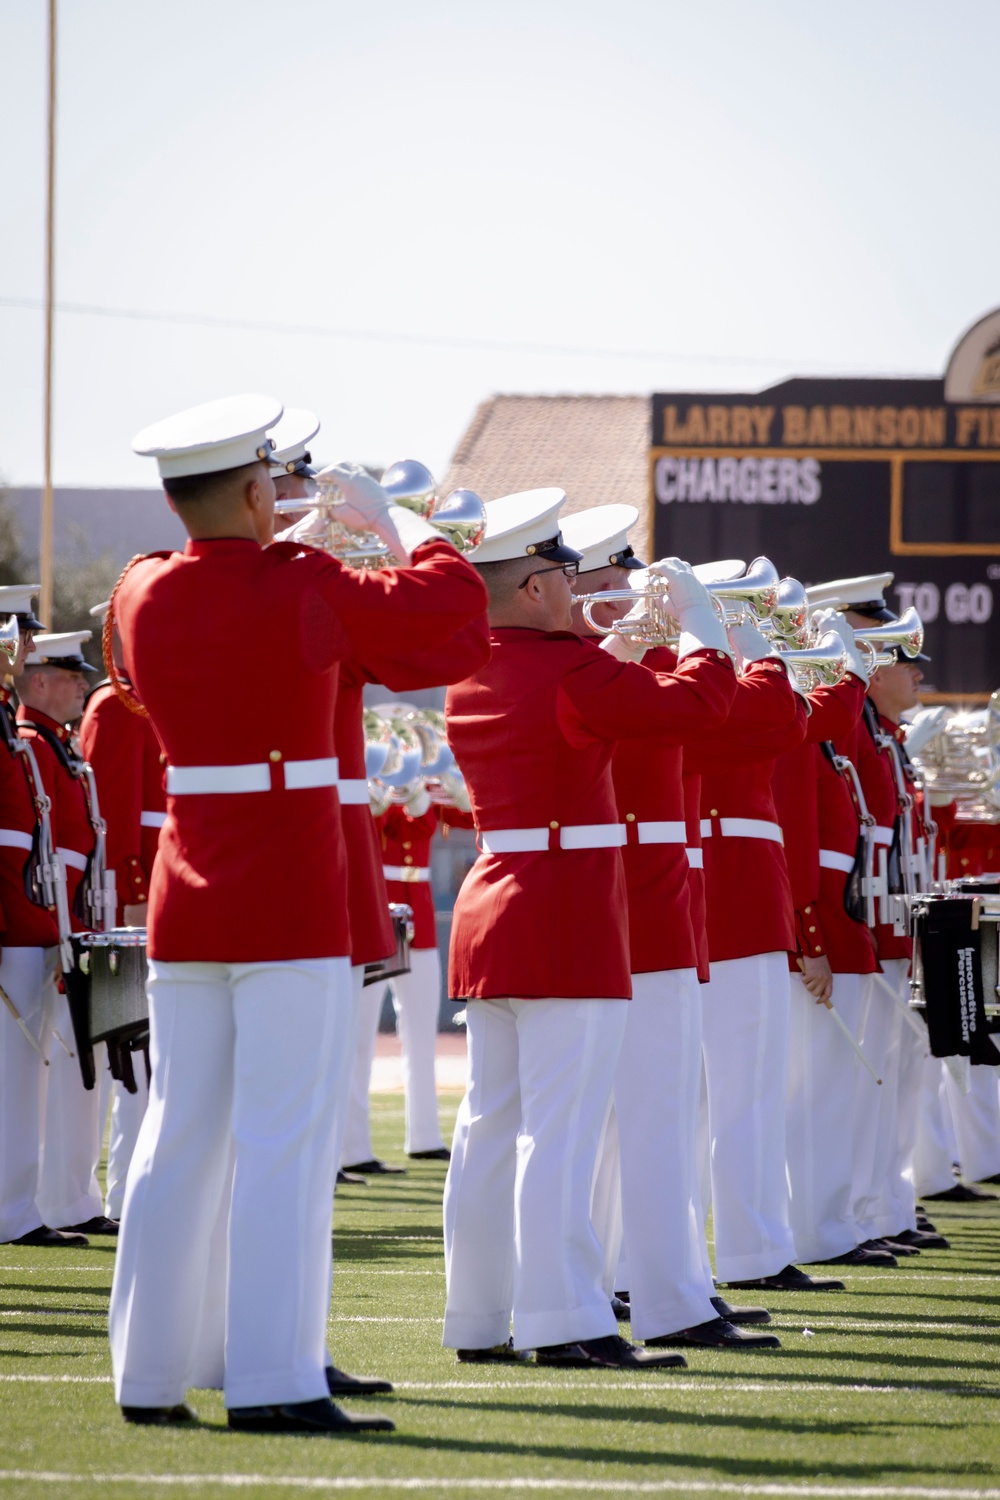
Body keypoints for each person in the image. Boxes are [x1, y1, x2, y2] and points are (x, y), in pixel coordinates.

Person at [107, 393, 488, 1434]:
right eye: (269, 480)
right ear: (248, 487)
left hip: (187, 899)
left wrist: (279, 533)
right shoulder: (304, 583)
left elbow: (180, 610)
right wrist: (390, 523)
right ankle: (275, 1378)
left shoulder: (140, 588)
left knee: (177, 1138)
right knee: (281, 1141)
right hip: (288, 896)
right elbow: (450, 616)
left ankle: (149, 1374)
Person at [442, 488, 737, 1368]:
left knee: (490, 1128)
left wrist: (615, 642)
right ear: (534, 587)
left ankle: (477, 1320)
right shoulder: (570, 671)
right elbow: (701, 707)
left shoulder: (478, 667)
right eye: (566, 575)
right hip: (565, 913)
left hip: (494, 907)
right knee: (558, 1134)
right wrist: (701, 625)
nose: (580, 587)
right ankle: (565, 1321)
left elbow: (564, 700)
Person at [564, 506, 779, 1352]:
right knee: (642, 1114)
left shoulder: (625, 665)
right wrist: (711, 635)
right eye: (612, 578)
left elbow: (766, 724)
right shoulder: (598, 672)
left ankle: (657, 1280)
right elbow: (754, 717)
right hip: (628, 902)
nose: (630, 590)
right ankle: (661, 1294)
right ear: (568, 588)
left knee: (656, 1114)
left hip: (660, 898)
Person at [17, 631, 116, 1239]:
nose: (83, 683)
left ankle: (71, 1197)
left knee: (82, 1064)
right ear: (39, 682)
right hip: (41, 921)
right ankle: (37, 1203)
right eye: (69, 675)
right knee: (42, 1071)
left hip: (69, 918)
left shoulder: (57, 746)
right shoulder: (32, 745)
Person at [0, 587, 88, 1249]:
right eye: (19, 640)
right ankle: (13, 1211)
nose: (25, 650)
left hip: (31, 922)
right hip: (15, 925)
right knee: (15, 1079)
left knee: (25, 1079)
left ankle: (19, 1208)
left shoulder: (18, 729)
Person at [78, 600, 166, 1220]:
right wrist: (132, 890)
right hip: (132, 895)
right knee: (131, 1051)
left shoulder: (156, 698)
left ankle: (138, 1186)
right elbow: (109, 811)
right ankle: (123, 1192)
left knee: (153, 1052)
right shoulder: (116, 702)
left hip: (163, 887)